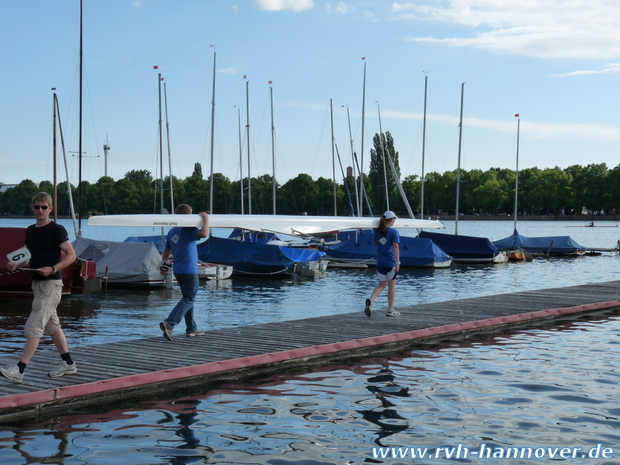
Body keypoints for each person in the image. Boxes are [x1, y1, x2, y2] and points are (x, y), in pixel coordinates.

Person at [0, 192, 78, 384]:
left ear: (50, 209)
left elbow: (71, 255)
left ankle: (19, 369)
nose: (41, 210)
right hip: (37, 284)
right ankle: (69, 364)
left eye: (44, 207)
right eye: (37, 207)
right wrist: (17, 265)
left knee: (35, 324)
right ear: (33, 208)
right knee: (52, 325)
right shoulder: (31, 229)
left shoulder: (56, 229)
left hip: (51, 284)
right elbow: (28, 256)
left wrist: (52, 269)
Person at [159, 204, 209, 341]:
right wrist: (206, 219)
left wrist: (164, 268)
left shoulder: (172, 231)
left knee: (187, 298)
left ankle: (191, 329)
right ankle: (169, 323)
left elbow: (166, 252)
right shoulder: (189, 230)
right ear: (189, 215)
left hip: (178, 270)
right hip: (189, 271)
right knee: (189, 299)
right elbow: (204, 234)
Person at [364, 210, 401, 318]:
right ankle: (390, 309)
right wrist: (398, 262)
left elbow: (376, 242)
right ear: (392, 220)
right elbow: (395, 247)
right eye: (394, 219)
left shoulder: (378, 232)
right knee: (392, 286)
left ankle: (371, 301)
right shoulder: (394, 232)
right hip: (390, 262)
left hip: (380, 262)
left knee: (381, 285)